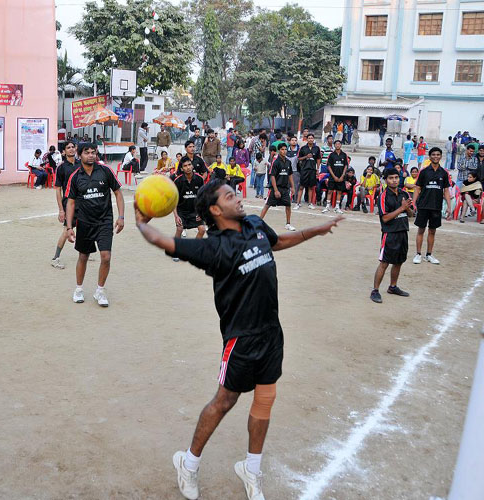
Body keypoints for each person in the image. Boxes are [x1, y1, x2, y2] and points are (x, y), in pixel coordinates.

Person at [134, 179, 343, 500]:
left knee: (265, 398)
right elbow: (164, 241)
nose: (239, 198)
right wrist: (140, 222)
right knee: (224, 401)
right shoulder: (213, 248)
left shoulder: (255, 224)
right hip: (240, 340)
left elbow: (278, 242)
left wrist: (315, 229)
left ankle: (252, 468)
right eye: (231, 196)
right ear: (216, 210)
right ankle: (188, 463)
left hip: (272, 332)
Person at [65, 143, 125, 306]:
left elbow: (118, 193)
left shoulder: (105, 171)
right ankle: (78, 289)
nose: (91, 155)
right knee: (83, 256)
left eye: (93, 152)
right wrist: (69, 227)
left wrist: (121, 217)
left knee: (106, 257)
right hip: (84, 222)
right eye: (87, 152)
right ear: (80, 155)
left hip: (104, 221)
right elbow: (70, 203)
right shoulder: (76, 176)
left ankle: (100, 291)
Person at [370, 168, 413, 303]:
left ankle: (393, 287)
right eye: (391, 178)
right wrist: (401, 208)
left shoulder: (404, 193)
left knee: (399, 261)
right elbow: (385, 218)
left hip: (403, 231)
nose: (394, 180)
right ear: (386, 180)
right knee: (384, 262)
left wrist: (407, 208)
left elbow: (411, 214)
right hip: (390, 234)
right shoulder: (383, 196)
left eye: (396, 177)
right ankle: (375, 290)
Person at [412, 147, 451, 265]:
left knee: (432, 231)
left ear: (440, 156)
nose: (436, 156)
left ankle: (429, 254)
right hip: (423, 205)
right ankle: (418, 254)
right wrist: (414, 203)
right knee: (421, 229)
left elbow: (446, 191)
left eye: (438, 154)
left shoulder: (444, 173)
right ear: (429, 157)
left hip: (436, 206)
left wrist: (449, 206)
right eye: (433, 154)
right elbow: (417, 188)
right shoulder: (423, 172)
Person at [52, 141, 81, 270]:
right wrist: (61, 210)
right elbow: (58, 189)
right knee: (66, 231)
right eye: (68, 148)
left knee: (86, 226)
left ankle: (85, 252)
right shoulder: (61, 167)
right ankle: (55, 258)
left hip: (83, 202)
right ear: (64, 151)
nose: (71, 149)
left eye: (72, 147)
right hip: (69, 203)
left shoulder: (81, 164)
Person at [172, 158, 206, 258]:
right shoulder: (178, 181)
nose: (188, 167)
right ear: (182, 169)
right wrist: (176, 216)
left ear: (192, 166)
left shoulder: (199, 179)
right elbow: (173, 200)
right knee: (179, 228)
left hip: (195, 210)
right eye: (185, 166)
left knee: (202, 229)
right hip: (181, 210)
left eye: (189, 165)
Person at [260, 143, 296, 231]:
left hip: (285, 188)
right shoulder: (276, 162)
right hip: (276, 188)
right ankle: (258, 222)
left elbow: (290, 175)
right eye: (282, 149)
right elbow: (272, 176)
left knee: (288, 205)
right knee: (267, 205)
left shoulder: (288, 162)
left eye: (285, 149)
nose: (284, 151)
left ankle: (288, 224)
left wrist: (292, 187)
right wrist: (275, 190)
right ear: (279, 150)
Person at [322, 140, 349, 214]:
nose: (337, 145)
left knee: (339, 192)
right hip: (332, 177)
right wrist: (334, 176)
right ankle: (327, 207)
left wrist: (342, 176)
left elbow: (346, 166)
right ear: (334, 145)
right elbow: (329, 166)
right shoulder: (331, 155)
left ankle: (337, 207)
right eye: (336, 144)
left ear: (341, 145)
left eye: (339, 144)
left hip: (341, 177)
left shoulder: (344, 155)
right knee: (330, 191)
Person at [295, 133, 321, 210]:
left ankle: (310, 203)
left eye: (312, 138)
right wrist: (306, 157)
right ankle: (298, 203)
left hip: (312, 170)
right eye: (309, 138)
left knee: (310, 187)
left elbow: (318, 159)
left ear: (313, 139)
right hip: (304, 169)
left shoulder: (317, 148)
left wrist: (318, 169)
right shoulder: (303, 148)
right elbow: (298, 158)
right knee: (301, 187)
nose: (310, 139)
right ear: (307, 139)